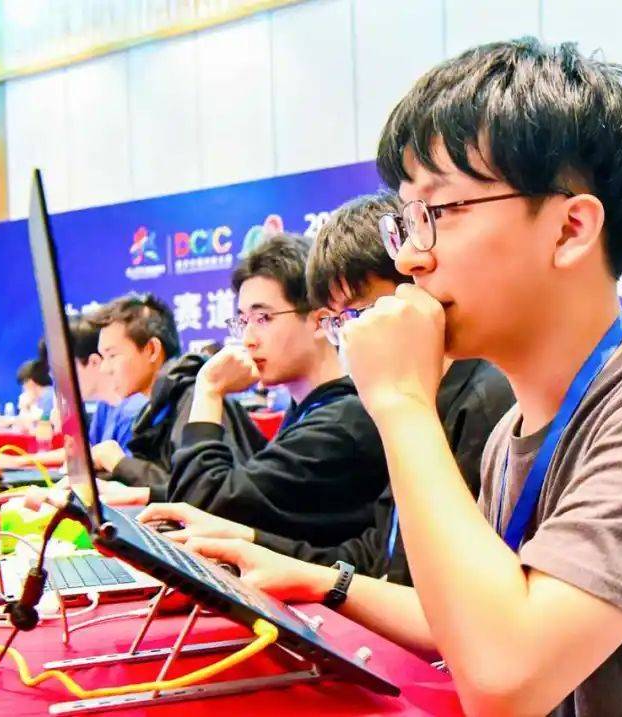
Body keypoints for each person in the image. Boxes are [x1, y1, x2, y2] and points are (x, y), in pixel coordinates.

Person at [181, 38, 622, 716]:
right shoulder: (512, 430)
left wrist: (401, 401)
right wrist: (318, 581)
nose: (412, 259)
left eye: (439, 213)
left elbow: (504, 674)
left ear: (571, 229)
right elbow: (480, 615)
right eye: (408, 220)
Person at [140, 193, 514, 582]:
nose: (350, 337)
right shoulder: (411, 401)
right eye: (341, 321)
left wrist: (209, 388)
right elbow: (379, 557)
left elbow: (451, 593)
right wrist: (248, 542)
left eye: (359, 313)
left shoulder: (462, 403)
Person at [143, 233, 390, 547]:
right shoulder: (311, 409)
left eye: (263, 318)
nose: (247, 339)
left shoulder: (343, 422)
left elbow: (202, 509)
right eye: (243, 321)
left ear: (319, 321)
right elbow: (254, 486)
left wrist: (209, 389)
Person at [87, 293, 264, 499]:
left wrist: (118, 462)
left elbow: (201, 490)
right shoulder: (156, 406)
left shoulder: (196, 398)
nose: (105, 369)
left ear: (152, 350)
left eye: (112, 355)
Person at [0, 316, 148, 470]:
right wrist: (19, 461)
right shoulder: (104, 407)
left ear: (94, 362)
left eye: (61, 368)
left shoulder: (134, 412)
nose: (57, 378)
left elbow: (128, 477)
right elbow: (84, 454)